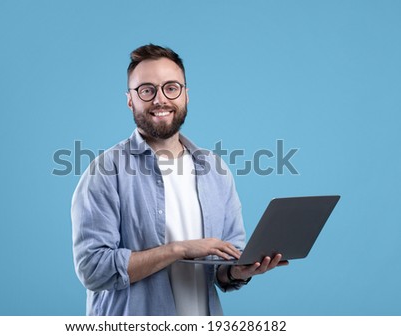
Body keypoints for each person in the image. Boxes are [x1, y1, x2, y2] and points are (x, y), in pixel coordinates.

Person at [71, 44, 288, 316]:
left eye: (171, 88)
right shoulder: (104, 172)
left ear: (186, 95)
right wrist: (178, 249)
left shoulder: (215, 170)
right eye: (147, 90)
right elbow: (93, 269)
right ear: (130, 100)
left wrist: (237, 271)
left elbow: (224, 267)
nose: (160, 99)